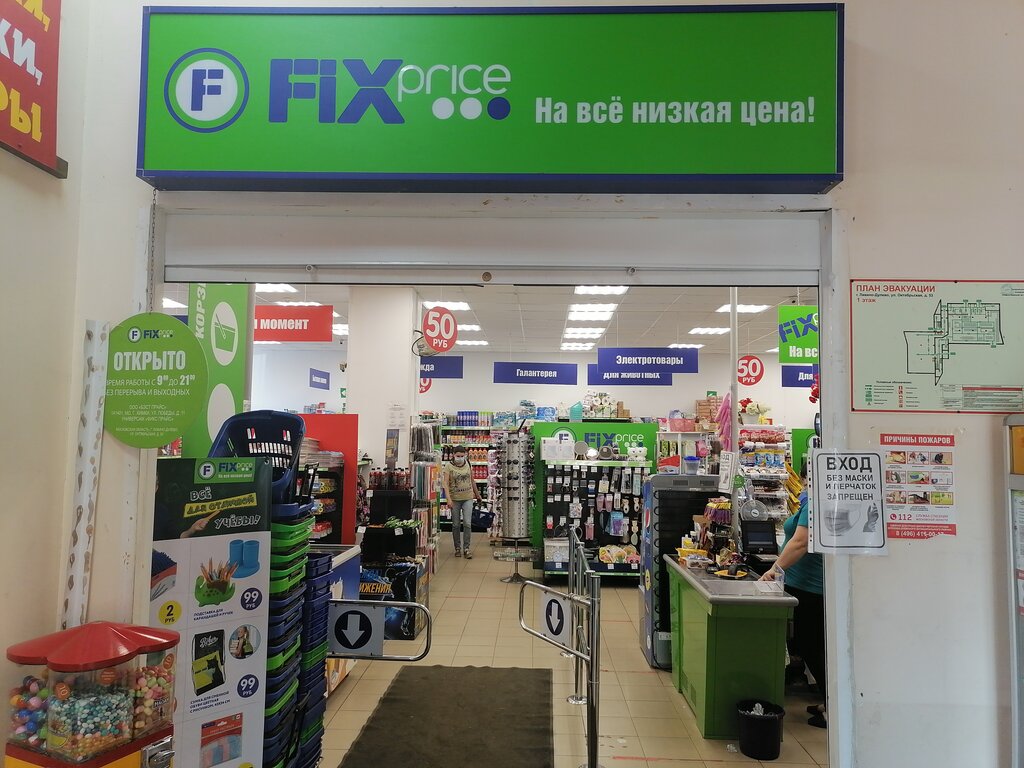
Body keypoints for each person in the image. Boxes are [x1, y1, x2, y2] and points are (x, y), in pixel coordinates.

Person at [759, 488, 827, 728]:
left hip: (811, 589)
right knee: (809, 646)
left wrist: (774, 569)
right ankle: (830, 701)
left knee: (813, 647)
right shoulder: (813, 502)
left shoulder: (818, 502)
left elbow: (800, 543)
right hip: (802, 586)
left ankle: (834, 707)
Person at [441, 446, 483, 559]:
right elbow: (445, 483)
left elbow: (472, 480)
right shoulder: (448, 466)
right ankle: (457, 548)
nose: (460, 458)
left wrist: (478, 495)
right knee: (455, 525)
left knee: (467, 523)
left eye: (462, 456)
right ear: (453, 455)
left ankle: (466, 548)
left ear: (465, 455)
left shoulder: (468, 464)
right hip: (455, 499)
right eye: (458, 456)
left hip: (468, 497)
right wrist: (448, 499)